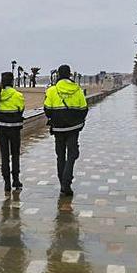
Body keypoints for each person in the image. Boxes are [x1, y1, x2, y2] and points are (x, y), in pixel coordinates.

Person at [44, 64, 88, 196]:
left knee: (60, 155)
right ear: (69, 75)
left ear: (58, 74)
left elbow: (47, 110)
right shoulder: (77, 89)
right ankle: (66, 182)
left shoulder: (52, 90)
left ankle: (62, 181)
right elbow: (84, 109)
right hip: (73, 128)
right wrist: (76, 120)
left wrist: (57, 118)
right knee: (72, 154)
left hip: (58, 129)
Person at [0, 71, 25, 192]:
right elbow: (21, 109)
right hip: (14, 129)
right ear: (12, 81)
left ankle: (6, 183)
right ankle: (16, 180)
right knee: (15, 154)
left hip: (0, 128)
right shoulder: (18, 95)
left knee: (4, 155)